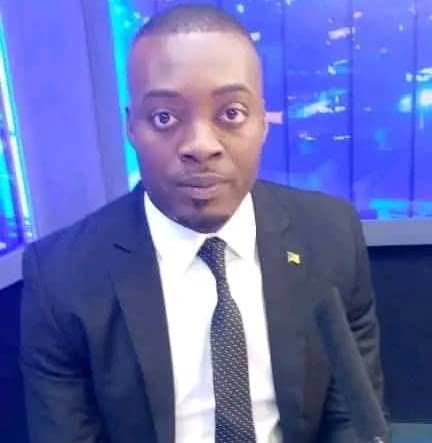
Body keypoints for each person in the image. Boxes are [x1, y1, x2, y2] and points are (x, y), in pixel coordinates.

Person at [20, 4, 387, 443]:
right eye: (164, 117)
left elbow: (354, 417)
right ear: (131, 127)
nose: (200, 145)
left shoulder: (330, 236)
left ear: (262, 122)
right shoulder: (61, 277)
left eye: (231, 113)